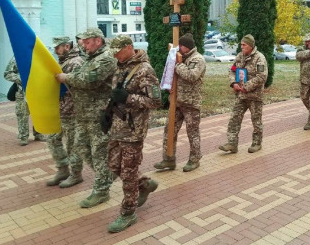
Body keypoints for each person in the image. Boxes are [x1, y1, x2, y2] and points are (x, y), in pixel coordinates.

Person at [104, 35, 161, 233]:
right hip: (117, 128)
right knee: (113, 165)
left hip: (133, 131)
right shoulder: (120, 66)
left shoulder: (145, 70)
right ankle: (143, 185)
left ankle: (128, 213)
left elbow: (155, 101)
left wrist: (129, 98)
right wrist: (106, 115)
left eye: (118, 51)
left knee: (128, 173)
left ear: (129, 47)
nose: (116, 55)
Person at [55, 27, 116, 208]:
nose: (83, 45)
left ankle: (101, 191)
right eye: (83, 42)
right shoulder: (90, 58)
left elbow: (89, 80)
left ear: (97, 41)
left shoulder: (106, 58)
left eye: (87, 42)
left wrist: (66, 77)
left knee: (99, 153)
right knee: (80, 147)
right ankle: (108, 174)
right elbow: (81, 76)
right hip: (82, 114)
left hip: (98, 115)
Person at [154, 33, 206, 172]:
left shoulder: (197, 59)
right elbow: (174, 76)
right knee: (169, 130)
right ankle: (168, 159)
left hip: (191, 104)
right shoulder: (180, 58)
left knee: (192, 133)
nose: (179, 48)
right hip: (176, 103)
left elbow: (192, 76)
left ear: (187, 46)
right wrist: (171, 85)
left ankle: (194, 159)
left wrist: (178, 65)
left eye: (181, 46)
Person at [46, 37, 84, 188]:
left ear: (67, 46)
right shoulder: (61, 62)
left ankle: (76, 174)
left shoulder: (76, 62)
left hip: (72, 111)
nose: (55, 51)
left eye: (58, 48)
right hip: (59, 110)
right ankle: (62, 169)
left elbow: (80, 86)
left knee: (72, 145)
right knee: (52, 139)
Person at [219, 34, 267, 153]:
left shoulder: (259, 58)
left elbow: (262, 76)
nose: (241, 47)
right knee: (234, 118)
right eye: (241, 44)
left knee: (256, 121)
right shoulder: (239, 57)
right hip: (241, 95)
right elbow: (232, 71)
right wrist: (233, 82)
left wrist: (246, 87)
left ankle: (256, 143)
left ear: (250, 46)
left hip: (254, 96)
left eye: (244, 44)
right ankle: (232, 143)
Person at [4, 57, 46, 145]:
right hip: (22, 93)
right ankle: (23, 136)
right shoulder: (17, 57)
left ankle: (39, 134)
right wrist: (22, 79)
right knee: (22, 115)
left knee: (38, 113)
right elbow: (7, 74)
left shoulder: (38, 55)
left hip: (37, 91)